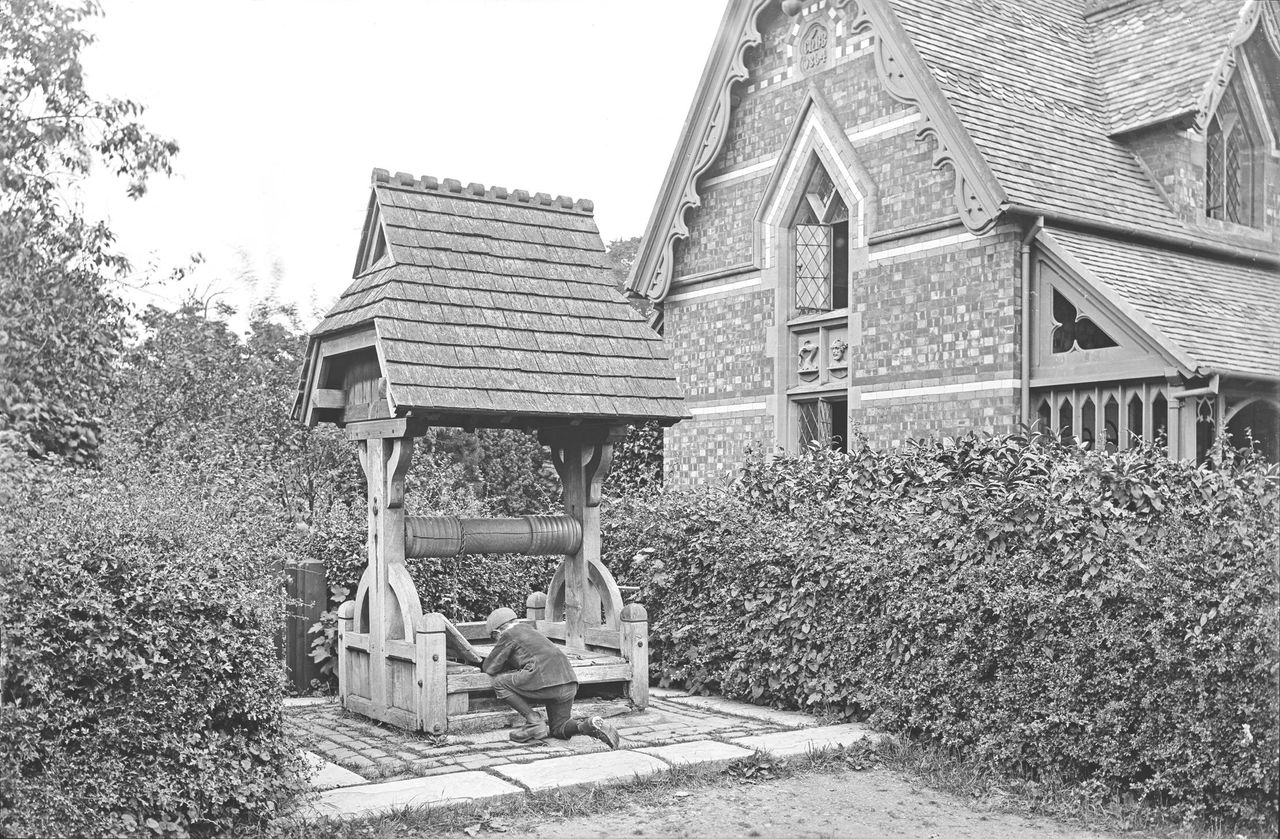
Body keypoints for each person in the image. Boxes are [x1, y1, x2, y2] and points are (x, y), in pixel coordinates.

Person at [480, 607, 621, 747]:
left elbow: (490, 667)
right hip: (569, 681)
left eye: (494, 638)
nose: (496, 641)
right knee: (559, 729)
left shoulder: (508, 634)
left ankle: (534, 722)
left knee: (499, 683)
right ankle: (588, 725)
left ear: (497, 632)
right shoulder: (529, 630)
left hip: (544, 679)